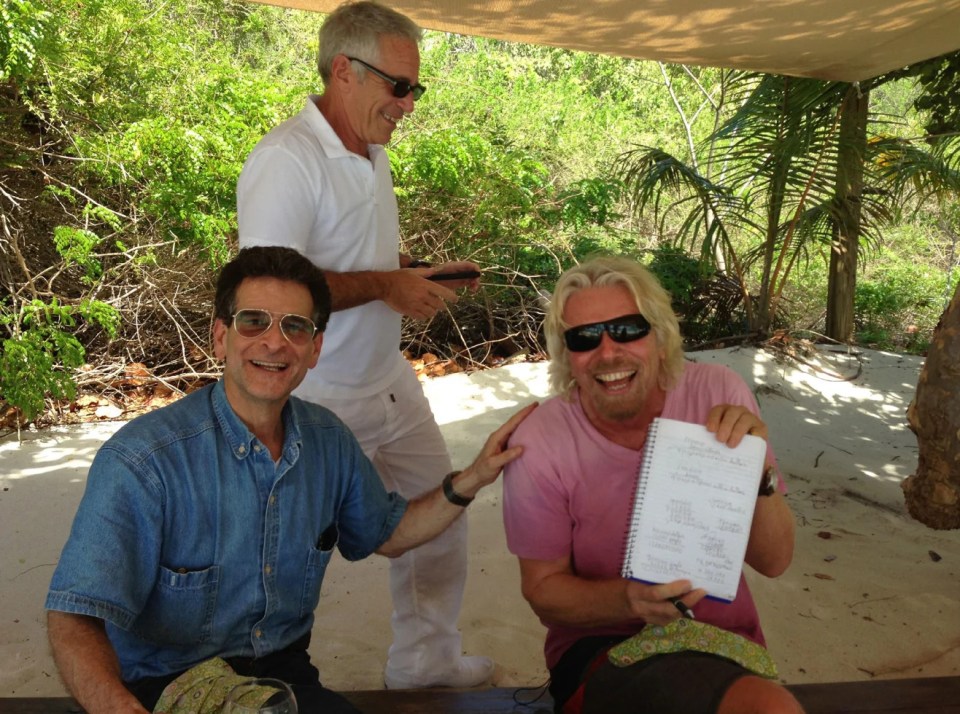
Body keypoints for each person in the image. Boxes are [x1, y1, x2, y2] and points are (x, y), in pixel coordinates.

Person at [45, 246, 534, 714]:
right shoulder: (144, 461)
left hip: (282, 679)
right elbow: (74, 615)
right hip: (161, 687)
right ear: (221, 336)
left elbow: (389, 533)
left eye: (295, 326)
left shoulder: (328, 442)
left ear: (315, 348)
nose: (274, 342)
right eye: (253, 321)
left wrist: (472, 478)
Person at [235, 0, 489, 690]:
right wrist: (385, 285)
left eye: (415, 88)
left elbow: (348, 254)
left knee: (442, 518)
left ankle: (425, 664)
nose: (408, 104)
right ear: (343, 70)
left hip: (388, 382)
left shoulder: (369, 153)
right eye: (398, 85)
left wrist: (408, 274)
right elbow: (268, 293)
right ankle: (257, 686)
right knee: (282, 558)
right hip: (315, 400)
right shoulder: (287, 159)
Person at [501, 255, 805, 714]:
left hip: (723, 641)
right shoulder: (542, 441)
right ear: (568, 357)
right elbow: (543, 592)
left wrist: (757, 471)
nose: (608, 353)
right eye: (584, 338)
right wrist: (629, 601)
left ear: (660, 338)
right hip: (602, 650)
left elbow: (774, 560)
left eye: (627, 329)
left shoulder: (718, 394)